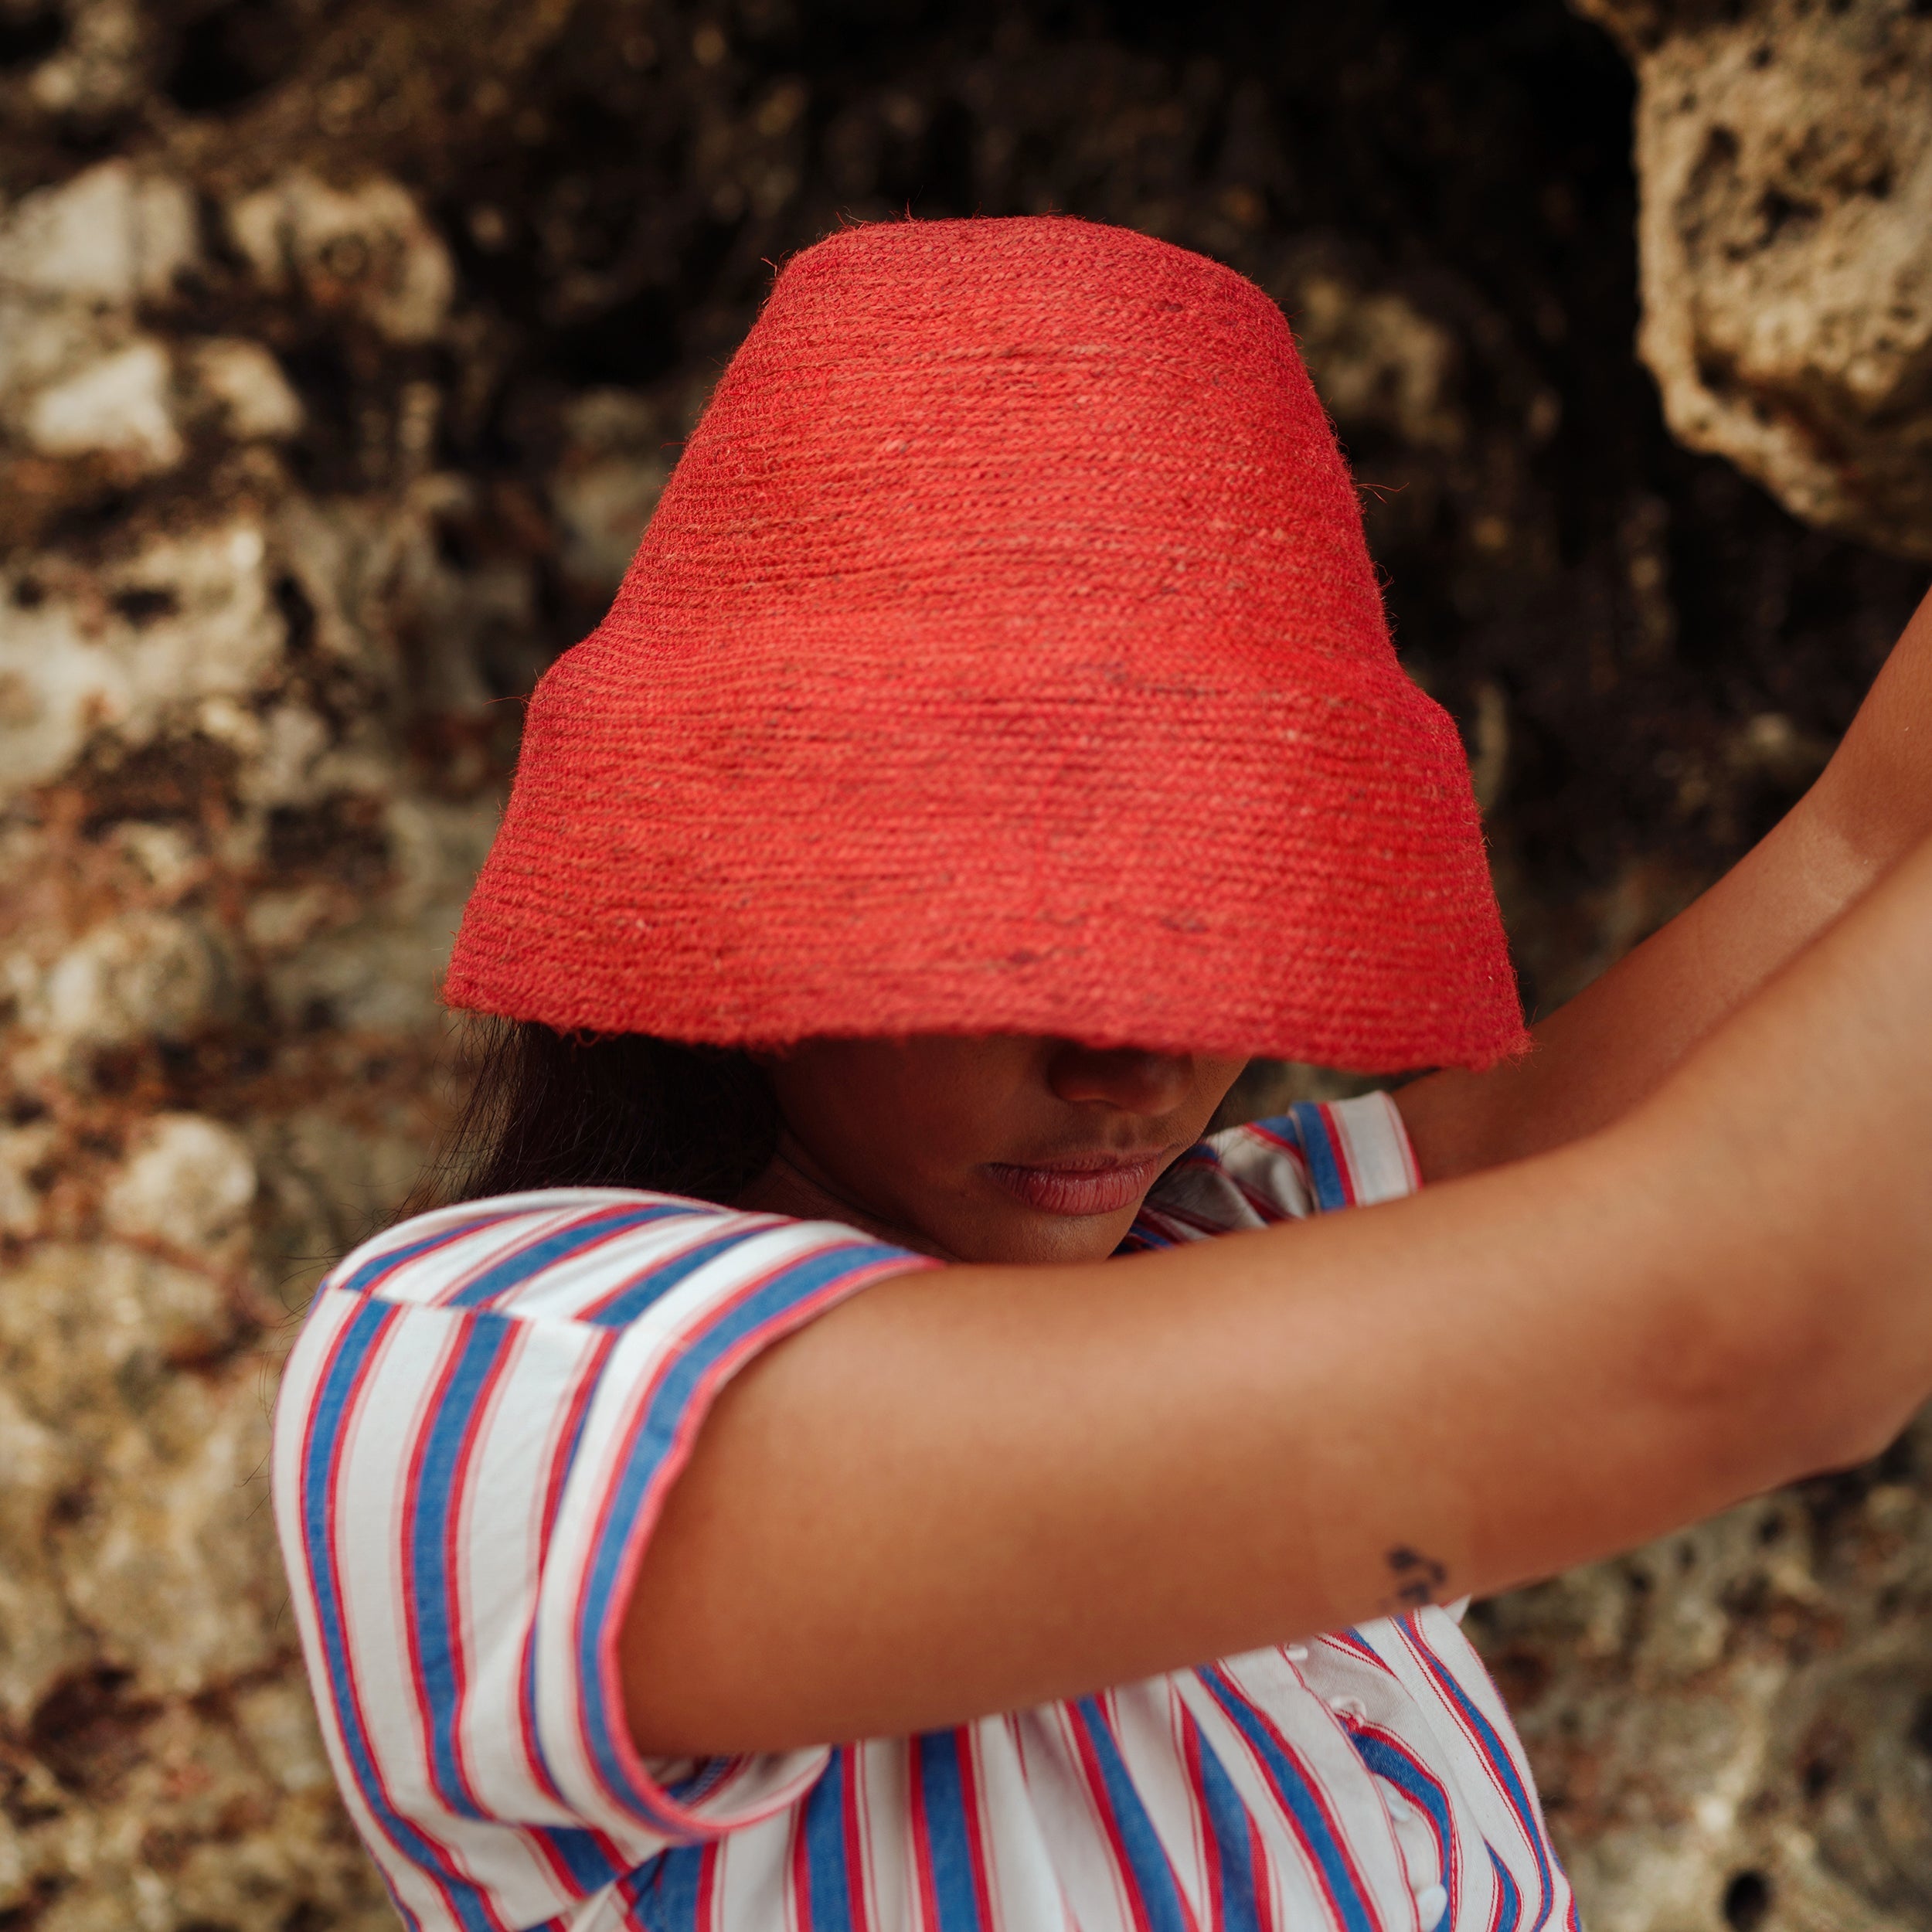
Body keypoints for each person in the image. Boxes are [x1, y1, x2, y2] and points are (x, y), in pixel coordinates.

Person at [270, 216, 1932, 1932]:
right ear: (750, 895)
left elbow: (1864, 851)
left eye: (1212, 911)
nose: (1137, 1056)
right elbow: (1734, 1325)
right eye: (1022, 933)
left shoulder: (1207, 1259)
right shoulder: (504, 1386)